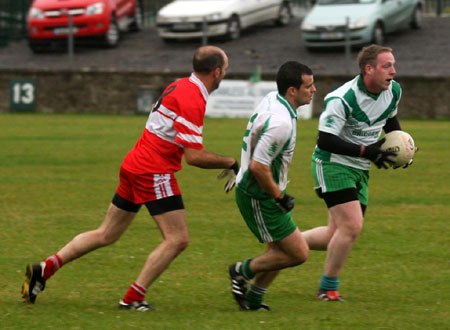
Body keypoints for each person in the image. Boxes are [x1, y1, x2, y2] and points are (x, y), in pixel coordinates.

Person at [21, 45, 239, 311]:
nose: (225, 74)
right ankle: (133, 297)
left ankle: (44, 270)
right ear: (217, 72)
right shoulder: (193, 97)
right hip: (152, 170)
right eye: (225, 69)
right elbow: (193, 156)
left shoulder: (181, 85)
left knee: (107, 233)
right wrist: (231, 162)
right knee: (177, 239)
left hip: (135, 164)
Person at [303, 44, 417, 302]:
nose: (393, 71)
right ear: (369, 69)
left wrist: (401, 150)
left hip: (360, 167)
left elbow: (390, 121)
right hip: (332, 163)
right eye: (387, 66)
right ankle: (328, 288)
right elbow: (326, 141)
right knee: (352, 226)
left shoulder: (393, 91)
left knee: (337, 233)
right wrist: (369, 152)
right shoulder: (342, 98)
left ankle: (287, 243)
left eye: (393, 65)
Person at [228, 61, 316, 310]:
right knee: (298, 253)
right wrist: (279, 196)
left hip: (265, 190)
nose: (314, 90)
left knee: (278, 251)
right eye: (308, 86)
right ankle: (240, 271)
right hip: (259, 195)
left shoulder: (273, 100)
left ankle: (254, 300)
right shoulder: (281, 123)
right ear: (291, 90)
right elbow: (258, 166)